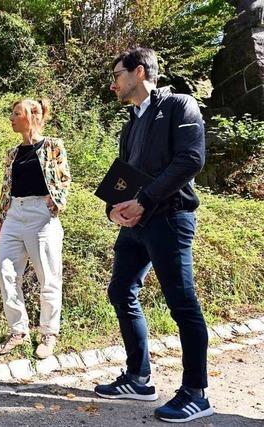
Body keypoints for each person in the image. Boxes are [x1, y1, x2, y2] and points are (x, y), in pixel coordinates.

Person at [93, 48, 213, 423]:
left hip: (170, 220)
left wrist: (143, 201)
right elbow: (123, 177)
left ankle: (196, 392)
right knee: (120, 291)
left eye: (117, 74)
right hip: (137, 225)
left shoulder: (180, 105)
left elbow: (191, 160)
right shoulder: (130, 124)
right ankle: (139, 377)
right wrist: (113, 208)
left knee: (182, 303)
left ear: (139, 71)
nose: (112, 83)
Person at [0, 98, 71, 359]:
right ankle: (18, 331)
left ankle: (49, 333)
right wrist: (0, 218)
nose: (11, 118)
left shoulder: (52, 146)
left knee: (48, 277)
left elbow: (64, 178)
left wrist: (55, 202)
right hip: (14, 213)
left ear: (32, 116)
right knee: (6, 273)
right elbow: (6, 188)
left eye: (16, 114)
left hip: (41, 215)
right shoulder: (13, 153)